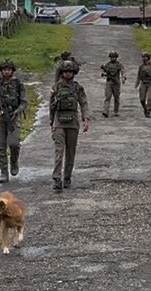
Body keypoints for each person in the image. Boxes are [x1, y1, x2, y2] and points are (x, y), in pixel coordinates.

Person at [49, 59, 90, 191]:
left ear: (74, 73)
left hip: (72, 123)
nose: (68, 74)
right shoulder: (56, 87)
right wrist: (51, 123)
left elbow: (83, 103)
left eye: (70, 71)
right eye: (65, 71)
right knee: (59, 151)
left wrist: (85, 119)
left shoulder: (78, 87)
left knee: (71, 152)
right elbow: (51, 106)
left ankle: (67, 176)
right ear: (62, 73)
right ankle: (57, 178)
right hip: (59, 123)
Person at [0, 58, 26, 183]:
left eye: (9, 69)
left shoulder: (18, 84)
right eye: (4, 69)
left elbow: (24, 102)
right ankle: (3, 172)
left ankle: (14, 161)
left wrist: (17, 111)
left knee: (14, 143)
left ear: (12, 71)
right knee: (0, 146)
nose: (6, 72)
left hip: (14, 117)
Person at [100, 51, 126, 117]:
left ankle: (116, 111)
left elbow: (123, 71)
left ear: (116, 57)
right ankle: (105, 111)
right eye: (111, 57)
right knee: (108, 96)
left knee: (116, 97)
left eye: (114, 57)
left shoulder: (119, 64)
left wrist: (123, 77)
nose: (112, 58)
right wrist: (103, 73)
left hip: (116, 82)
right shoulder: (107, 64)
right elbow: (103, 70)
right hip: (109, 82)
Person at [135, 51, 151, 117]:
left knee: (149, 98)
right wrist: (137, 84)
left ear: (148, 58)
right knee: (142, 99)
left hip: (150, 83)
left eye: (145, 57)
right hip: (143, 83)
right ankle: (145, 108)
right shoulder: (141, 66)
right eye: (143, 57)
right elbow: (138, 76)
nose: (144, 58)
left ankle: (148, 111)